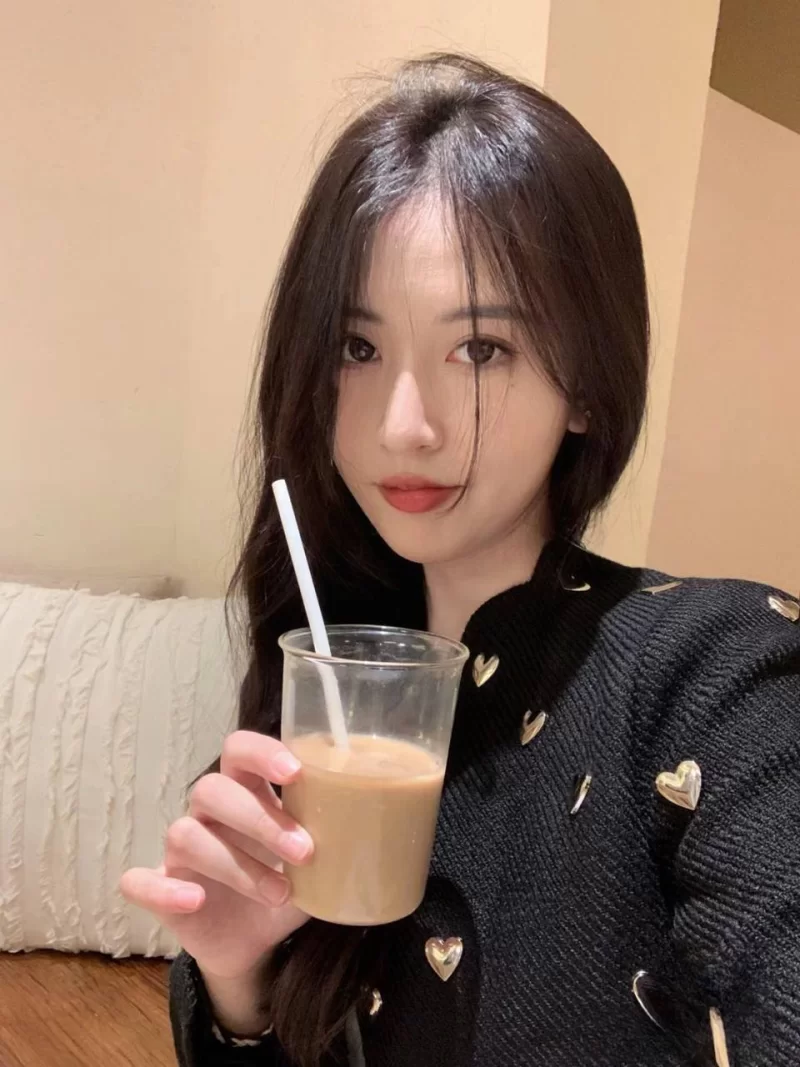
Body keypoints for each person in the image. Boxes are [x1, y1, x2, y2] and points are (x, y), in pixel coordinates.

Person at [120, 53, 800, 1067]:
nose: (405, 426)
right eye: (358, 348)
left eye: (480, 349)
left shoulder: (717, 672)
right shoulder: (316, 700)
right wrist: (238, 983)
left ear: (585, 385)